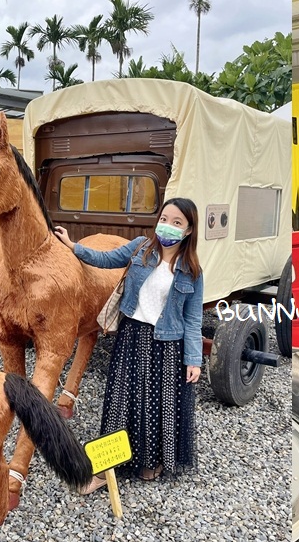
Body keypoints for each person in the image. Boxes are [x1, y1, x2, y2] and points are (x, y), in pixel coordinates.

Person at [54, 197, 204, 490]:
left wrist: (194, 359)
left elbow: (193, 319)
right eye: (164, 219)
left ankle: (151, 460)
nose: (168, 227)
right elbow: (105, 260)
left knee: (158, 405)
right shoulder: (140, 248)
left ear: (188, 231)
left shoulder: (191, 271)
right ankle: (102, 472)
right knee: (121, 402)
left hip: (167, 344)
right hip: (131, 337)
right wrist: (73, 246)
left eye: (177, 223)